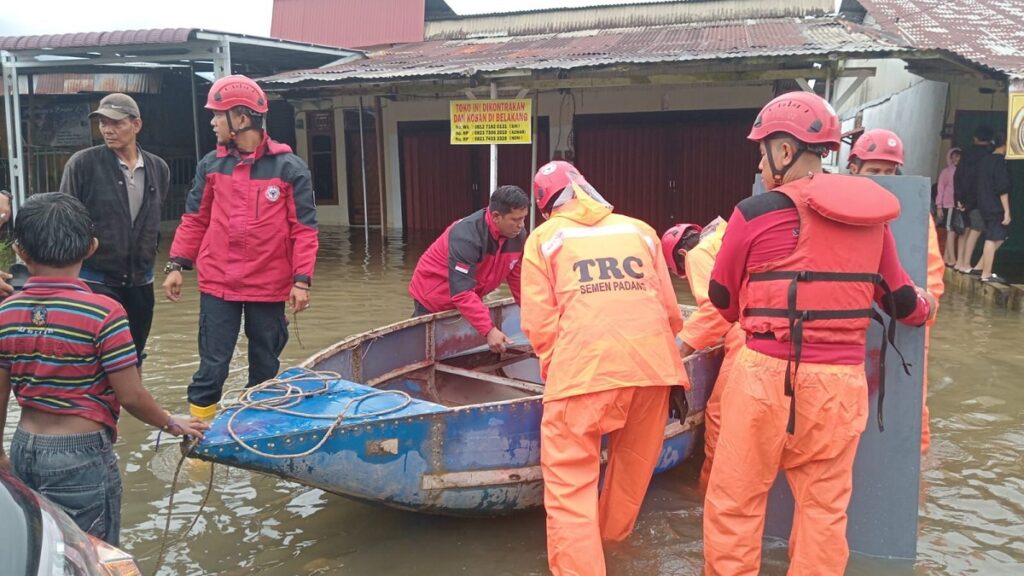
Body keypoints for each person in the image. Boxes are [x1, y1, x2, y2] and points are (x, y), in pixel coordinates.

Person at [702, 92, 936, 575]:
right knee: (824, 511)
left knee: (736, 504)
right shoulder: (872, 220)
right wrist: (929, 307)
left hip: (764, 379)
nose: (761, 162)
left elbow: (722, 303)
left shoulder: (754, 211)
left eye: (762, 150)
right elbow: (903, 304)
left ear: (784, 151)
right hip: (839, 387)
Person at [0, 193, 207, 546]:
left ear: (20, 251)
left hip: (24, 446)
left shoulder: (6, 312)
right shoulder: (103, 313)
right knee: (93, 552)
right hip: (81, 453)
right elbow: (131, 395)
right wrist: (171, 423)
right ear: (91, 247)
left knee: (45, 550)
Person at [520, 161, 685, 576]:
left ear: (545, 205)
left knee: (570, 492)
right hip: (654, 372)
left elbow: (539, 325)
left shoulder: (543, 239)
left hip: (583, 376)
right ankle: (614, 550)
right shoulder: (640, 231)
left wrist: (558, 376)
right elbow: (669, 312)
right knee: (629, 479)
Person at [162, 75, 318, 421]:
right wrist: (176, 265)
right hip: (219, 285)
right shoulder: (211, 166)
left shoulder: (290, 168)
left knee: (265, 367)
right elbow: (194, 219)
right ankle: (198, 450)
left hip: (269, 286)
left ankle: (256, 434)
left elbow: (304, 230)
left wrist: (301, 280)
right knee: (211, 368)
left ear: (241, 119)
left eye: (218, 114)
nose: (213, 122)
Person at [847, 128, 945, 454]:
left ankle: (916, 487)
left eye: (890, 172)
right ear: (853, 169)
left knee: (910, 416)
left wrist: (923, 308)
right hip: (847, 333)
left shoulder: (917, 218)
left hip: (903, 331)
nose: (884, 179)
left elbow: (932, 283)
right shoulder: (834, 207)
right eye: (874, 171)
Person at [59, 93, 170, 362]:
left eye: (116, 123)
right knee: (92, 355)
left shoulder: (158, 168)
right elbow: (64, 219)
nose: (108, 130)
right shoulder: (82, 164)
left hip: (140, 279)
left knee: (134, 354)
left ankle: (131, 404)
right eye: (102, 124)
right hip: (94, 277)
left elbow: (153, 220)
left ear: (136, 125)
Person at [660, 218, 744, 490]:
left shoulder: (698, 255)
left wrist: (680, 347)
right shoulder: (726, 234)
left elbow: (717, 309)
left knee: (721, 415)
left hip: (750, 337)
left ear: (682, 256)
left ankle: (710, 491)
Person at [408, 185, 529, 353]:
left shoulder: (517, 236)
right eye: (515, 220)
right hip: (433, 296)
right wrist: (489, 330)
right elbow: (461, 293)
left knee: (457, 345)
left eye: (524, 218)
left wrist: (532, 315)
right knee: (422, 350)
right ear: (496, 217)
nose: (521, 225)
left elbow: (518, 280)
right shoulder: (467, 236)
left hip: (469, 295)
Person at [954, 126, 995, 274]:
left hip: (962, 198)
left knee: (964, 230)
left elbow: (957, 176)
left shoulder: (965, 154)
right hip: (978, 199)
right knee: (976, 230)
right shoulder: (988, 156)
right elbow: (982, 181)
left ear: (975, 138)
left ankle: (959, 262)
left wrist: (958, 198)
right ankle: (966, 263)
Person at [974, 136, 1012, 283]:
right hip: (995, 205)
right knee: (993, 237)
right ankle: (986, 274)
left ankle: (979, 266)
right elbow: (1002, 187)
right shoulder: (999, 162)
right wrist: (1007, 211)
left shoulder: (985, 160)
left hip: (984, 202)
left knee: (1000, 236)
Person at [937, 148, 961, 266]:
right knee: (950, 230)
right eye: (954, 156)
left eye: (958, 156)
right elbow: (940, 189)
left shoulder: (962, 171)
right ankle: (952, 259)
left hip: (957, 205)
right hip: (949, 204)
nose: (956, 159)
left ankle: (947, 257)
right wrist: (939, 206)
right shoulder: (946, 172)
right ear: (950, 158)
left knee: (951, 231)